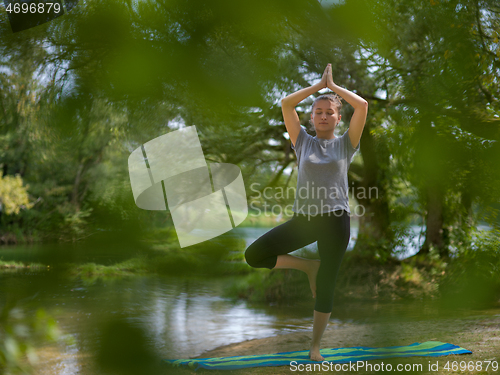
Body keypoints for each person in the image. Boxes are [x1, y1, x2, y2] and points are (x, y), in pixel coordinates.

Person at [244, 63, 368, 361]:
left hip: (336, 221)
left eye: (330, 112)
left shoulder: (346, 145)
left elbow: (362, 105)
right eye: (318, 112)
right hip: (305, 221)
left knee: (326, 286)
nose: (324, 116)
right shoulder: (301, 141)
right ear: (311, 118)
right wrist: (317, 87)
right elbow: (287, 103)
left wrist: (334, 88)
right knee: (253, 255)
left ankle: (315, 347)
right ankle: (307, 266)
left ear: (339, 118)